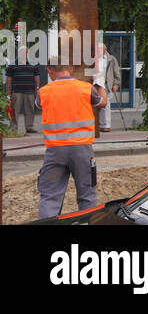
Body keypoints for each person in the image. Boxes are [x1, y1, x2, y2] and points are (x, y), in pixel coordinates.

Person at [37, 62, 107, 219]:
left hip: (55, 151)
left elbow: (38, 105)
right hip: (82, 150)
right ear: (70, 69)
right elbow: (102, 102)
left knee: (49, 197)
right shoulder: (85, 88)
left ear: (49, 71)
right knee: (87, 196)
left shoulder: (43, 92)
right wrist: (100, 84)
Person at [4, 50, 45, 134]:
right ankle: (14, 127)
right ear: (19, 53)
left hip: (29, 90)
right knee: (15, 110)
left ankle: (29, 127)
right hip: (16, 91)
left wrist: (37, 89)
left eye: (26, 52)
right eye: (22, 52)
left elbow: (37, 76)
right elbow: (8, 79)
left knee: (30, 109)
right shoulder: (13, 64)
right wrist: (8, 93)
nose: (24, 54)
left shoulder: (33, 63)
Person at [92, 43, 121, 132]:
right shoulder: (92, 58)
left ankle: (106, 125)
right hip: (94, 84)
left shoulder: (111, 59)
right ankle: (95, 125)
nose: (98, 51)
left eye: (100, 50)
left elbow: (116, 73)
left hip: (106, 84)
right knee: (94, 105)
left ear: (105, 50)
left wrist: (116, 84)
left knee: (106, 105)